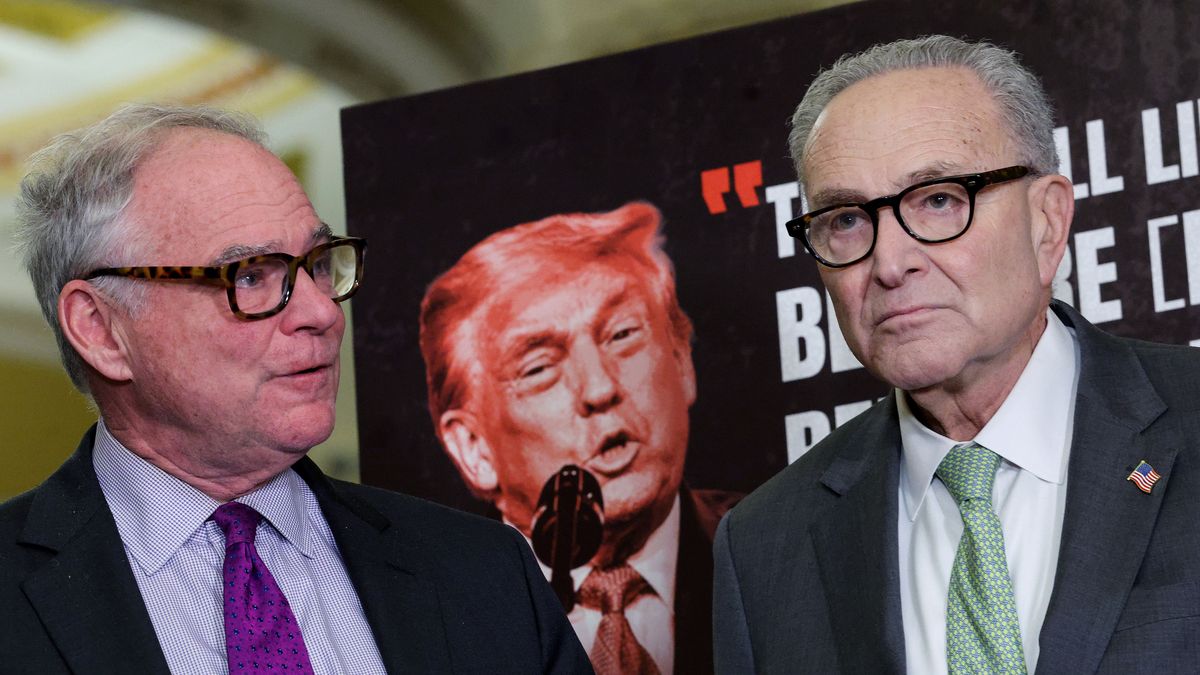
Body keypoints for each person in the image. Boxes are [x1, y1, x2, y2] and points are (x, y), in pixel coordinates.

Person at [0, 103, 589, 674]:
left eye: (317, 264)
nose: (321, 312)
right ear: (100, 329)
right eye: (251, 276)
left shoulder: (485, 572)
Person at [713, 35, 1200, 674]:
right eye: (846, 220)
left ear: (1047, 222)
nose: (889, 263)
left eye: (939, 199)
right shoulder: (763, 549)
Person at [419, 202, 739, 674]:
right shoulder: (425, 620)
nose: (600, 388)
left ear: (682, 359)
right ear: (473, 447)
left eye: (622, 335)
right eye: (540, 368)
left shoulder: (771, 550)